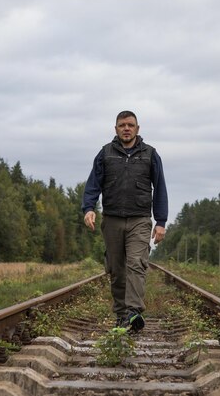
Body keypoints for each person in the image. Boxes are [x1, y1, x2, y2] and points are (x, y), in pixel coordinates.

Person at [82, 110, 168, 333]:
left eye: (130, 125)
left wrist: (161, 221)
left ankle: (133, 312)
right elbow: (93, 184)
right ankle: (121, 315)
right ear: (116, 129)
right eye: (122, 125)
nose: (126, 128)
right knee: (117, 269)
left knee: (136, 264)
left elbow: (160, 188)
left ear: (137, 129)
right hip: (112, 220)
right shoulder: (105, 154)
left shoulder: (150, 155)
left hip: (139, 220)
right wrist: (89, 208)